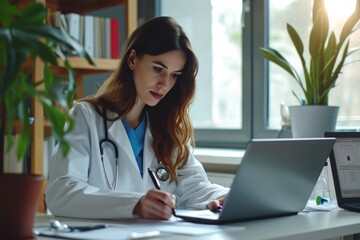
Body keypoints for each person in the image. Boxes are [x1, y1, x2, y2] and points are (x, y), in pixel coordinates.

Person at [46, 16, 229, 220]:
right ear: (133, 59)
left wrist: (225, 196)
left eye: (174, 75)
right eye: (158, 69)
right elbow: (61, 193)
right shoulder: (86, 116)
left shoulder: (168, 126)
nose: (164, 84)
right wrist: (134, 204)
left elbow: (195, 187)